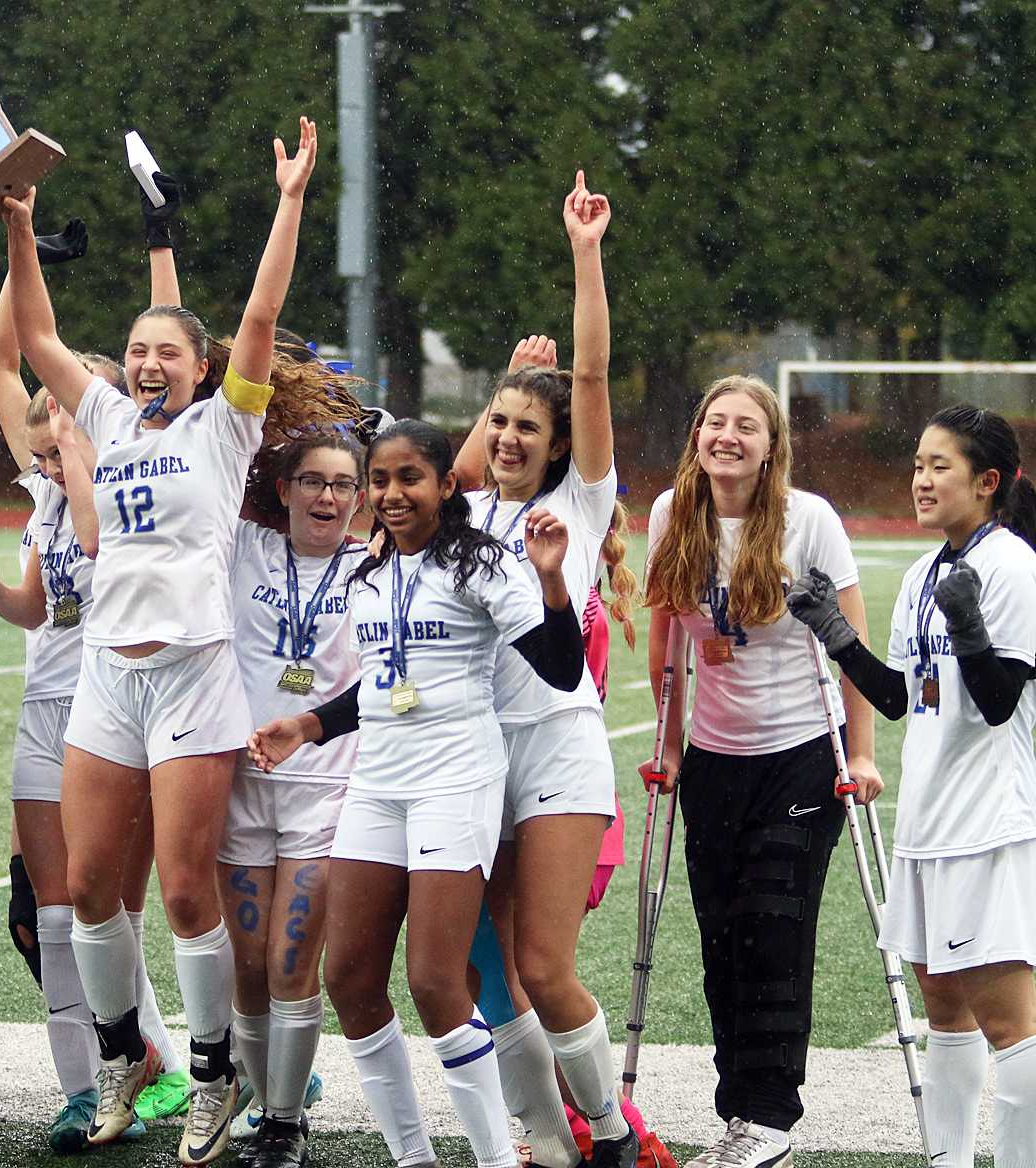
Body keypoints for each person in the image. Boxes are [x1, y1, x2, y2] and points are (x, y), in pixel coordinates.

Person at [2, 116, 337, 1164]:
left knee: (186, 890)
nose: (147, 361)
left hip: (193, 680)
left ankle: (211, 1072)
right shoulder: (101, 420)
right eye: (137, 348)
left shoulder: (222, 426)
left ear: (200, 368)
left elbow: (261, 309)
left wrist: (286, 201)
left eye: (166, 350)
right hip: (106, 676)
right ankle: (118, 1058)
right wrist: (18, 226)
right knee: (89, 887)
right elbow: (39, 343)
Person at [246, 420, 587, 1168]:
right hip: (376, 784)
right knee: (349, 978)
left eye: (410, 478)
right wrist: (309, 723)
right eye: (381, 480)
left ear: (445, 485)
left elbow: (562, 669)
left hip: (454, 782)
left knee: (435, 983)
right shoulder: (367, 572)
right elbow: (384, 681)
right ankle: (413, 1157)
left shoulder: (485, 565)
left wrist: (553, 580)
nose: (392, 494)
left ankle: (496, 1158)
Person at [642, 374, 881, 1168]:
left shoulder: (809, 520)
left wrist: (864, 753)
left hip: (801, 762)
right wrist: (670, 744)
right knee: (722, 935)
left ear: (772, 445)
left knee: (775, 928)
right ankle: (738, 1113)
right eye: (716, 422)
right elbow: (667, 643)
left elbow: (849, 641)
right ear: (698, 435)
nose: (728, 437)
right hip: (714, 762)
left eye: (747, 426)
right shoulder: (675, 517)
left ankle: (772, 1114)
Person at [788, 404, 1036, 1168]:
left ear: (988, 482)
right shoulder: (927, 572)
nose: (922, 480)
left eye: (940, 467)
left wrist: (970, 630)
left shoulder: (1013, 568)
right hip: (926, 822)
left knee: (1009, 1024)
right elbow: (903, 698)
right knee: (945, 1013)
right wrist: (838, 636)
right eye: (918, 465)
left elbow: (998, 704)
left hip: (990, 822)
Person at [444, 173, 634, 1168]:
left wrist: (582, 254)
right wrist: (499, 393)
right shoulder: (459, 520)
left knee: (543, 964)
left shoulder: (581, 509)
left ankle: (604, 1131)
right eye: (500, 424)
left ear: (557, 444)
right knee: (486, 971)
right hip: (476, 758)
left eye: (529, 426)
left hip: (557, 751)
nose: (511, 438)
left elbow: (591, 381)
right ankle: (543, 1140)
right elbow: (448, 478)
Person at [0, 253, 180, 1150]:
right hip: (42, 714)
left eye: (63, 432)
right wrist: (18, 256)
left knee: (108, 910)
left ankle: (179, 1064)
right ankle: (92, 1087)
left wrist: (82, 442)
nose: (49, 452)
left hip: (113, 709)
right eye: (43, 441)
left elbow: (100, 525)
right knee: (47, 916)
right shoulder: (46, 491)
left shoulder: (121, 485)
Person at [218, 433, 366, 1168]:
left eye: (343, 484)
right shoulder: (245, 546)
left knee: (287, 962)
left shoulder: (378, 564)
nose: (327, 498)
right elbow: (217, 449)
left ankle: (284, 1123)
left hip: (326, 783)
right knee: (245, 964)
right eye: (312, 480)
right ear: (283, 489)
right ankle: (255, 1089)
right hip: (240, 781)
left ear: (361, 496)